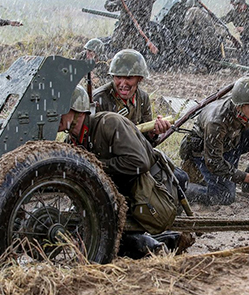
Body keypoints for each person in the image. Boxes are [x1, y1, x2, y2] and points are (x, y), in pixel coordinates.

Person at [59, 85, 190, 258]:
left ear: (78, 111)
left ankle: (160, 243)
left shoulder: (109, 123)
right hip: (127, 193)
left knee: (111, 242)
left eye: (61, 110)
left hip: (153, 190)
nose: (56, 116)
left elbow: (139, 162)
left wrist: (94, 166)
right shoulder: (73, 140)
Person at [179, 76, 249, 205]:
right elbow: (214, 162)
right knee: (223, 196)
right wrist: (246, 177)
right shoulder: (216, 122)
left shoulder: (248, 101)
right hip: (206, 152)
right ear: (239, 106)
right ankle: (180, 186)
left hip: (232, 142)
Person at [92, 49, 171, 144]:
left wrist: (153, 133)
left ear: (140, 78)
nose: (123, 84)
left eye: (129, 78)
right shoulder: (98, 98)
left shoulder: (143, 98)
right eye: (118, 77)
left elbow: (146, 141)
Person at [179, 0, 223, 72]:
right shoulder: (204, 13)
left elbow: (186, 29)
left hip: (204, 42)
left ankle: (199, 65)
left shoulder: (192, 10)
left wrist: (181, 34)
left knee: (181, 44)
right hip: (212, 44)